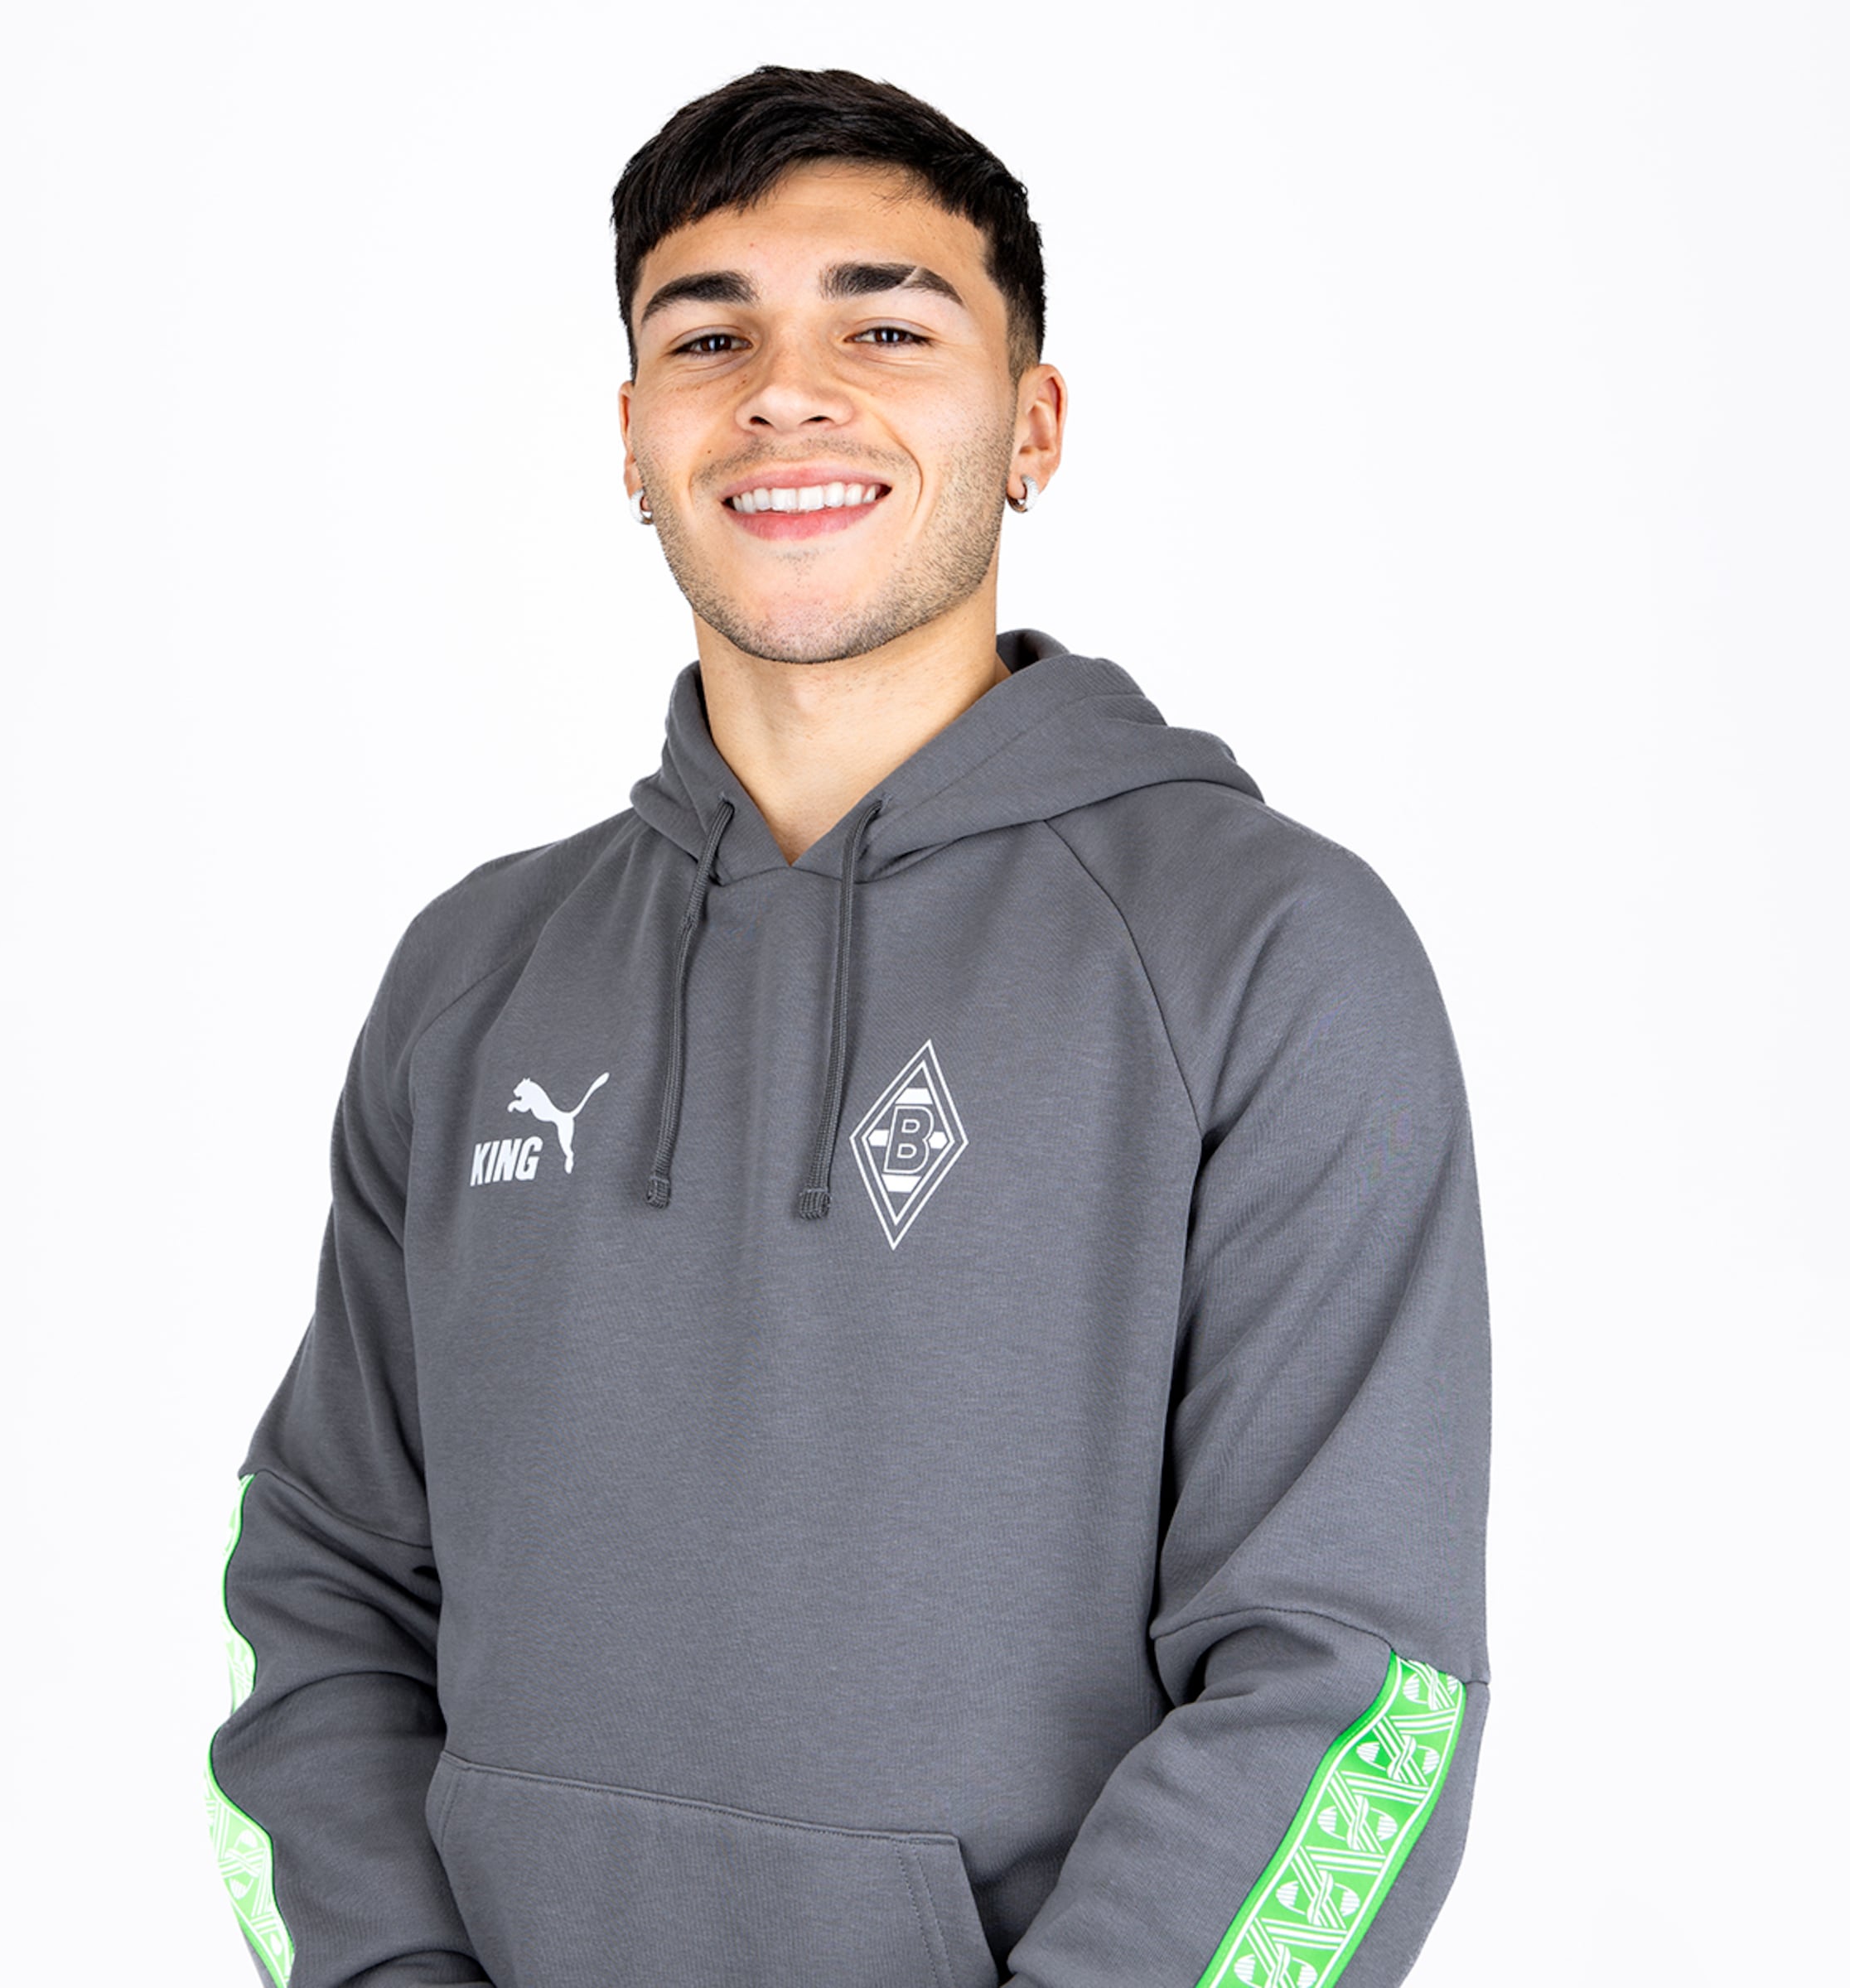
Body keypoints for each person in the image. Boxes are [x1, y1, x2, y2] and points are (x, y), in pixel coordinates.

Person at [205, 64, 1491, 1988]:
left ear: (1033, 423)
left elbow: (1353, 1692)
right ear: (633, 438)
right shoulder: (472, 976)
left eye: (886, 326)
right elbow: (317, 1585)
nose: (785, 392)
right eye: (707, 335)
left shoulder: (1272, 954)